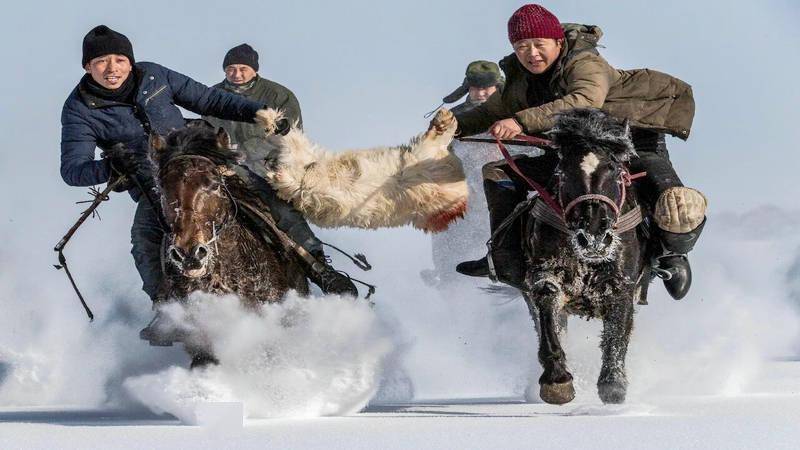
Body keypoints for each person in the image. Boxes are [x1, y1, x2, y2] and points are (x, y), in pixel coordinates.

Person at [60, 26, 356, 344]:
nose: (112, 68)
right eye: (102, 61)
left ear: (130, 62)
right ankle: (167, 309)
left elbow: (210, 99)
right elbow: (73, 170)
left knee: (270, 198)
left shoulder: (154, 75)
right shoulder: (79, 109)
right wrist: (110, 165)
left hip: (204, 163)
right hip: (157, 184)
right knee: (143, 236)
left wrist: (257, 111)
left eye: (119, 59)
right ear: (87, 66)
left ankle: (318, 267)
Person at [453, 4, 707, 300]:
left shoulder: (585, 62)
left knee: (679, 205)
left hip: (629, 143)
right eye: (522, 46)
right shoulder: (519, 77)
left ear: (558, 42)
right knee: (497, 173)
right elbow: (491, 111)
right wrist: (451, 125)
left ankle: (670, 256)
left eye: (538, 44)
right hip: (573, 151)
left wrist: (520, 121)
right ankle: (504, 254)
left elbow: (584, 100)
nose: (531, 53)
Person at [422, 61, 506, 287]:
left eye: (487, 88)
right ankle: (448, 276)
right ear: (468, 88)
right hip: (464, 193)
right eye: (475, 88)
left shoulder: (513, 111)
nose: (481, 93)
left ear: (498, 86)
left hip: (504, 187)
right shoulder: (452, 118)